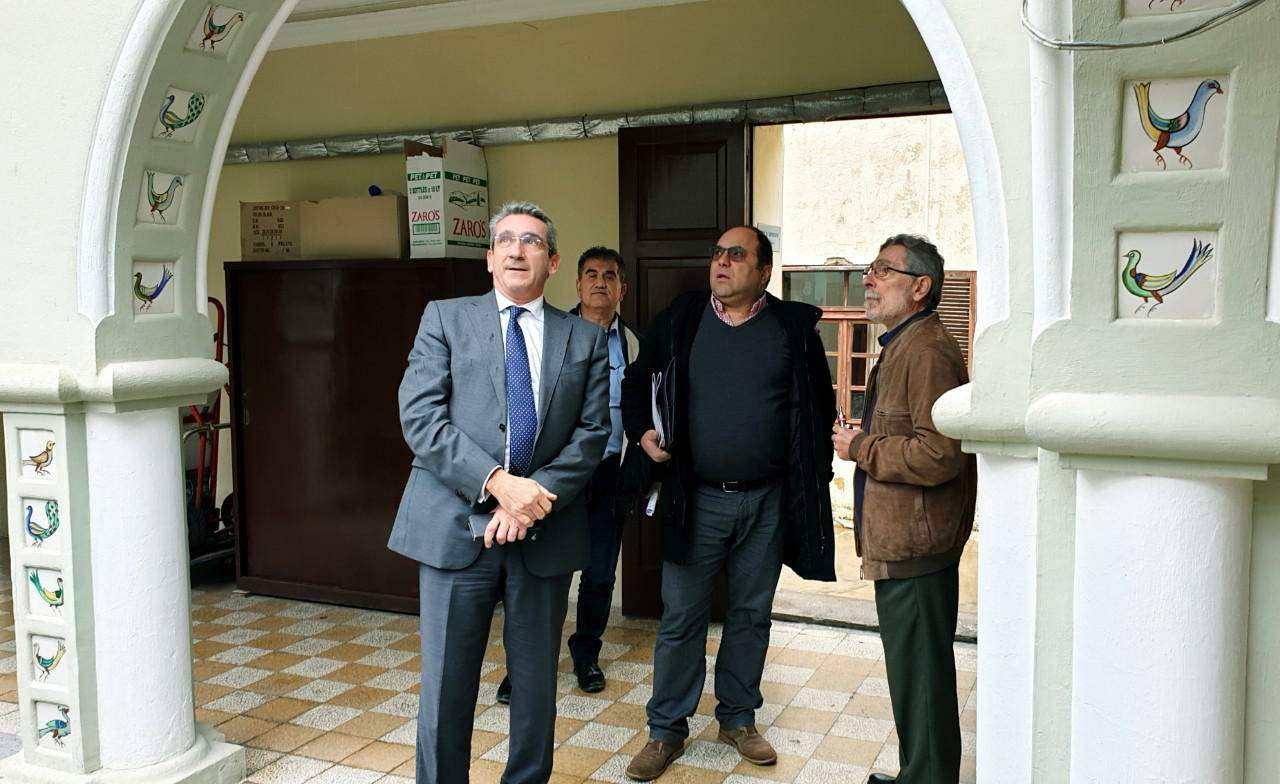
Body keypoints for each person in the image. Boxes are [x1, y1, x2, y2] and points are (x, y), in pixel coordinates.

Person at [388, 201, 611, 784]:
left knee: (535, 689)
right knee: (446, 686)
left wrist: (528, 500)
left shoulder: (584, 338)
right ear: (489, 258)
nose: (516, 250)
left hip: (543, 532)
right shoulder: (445, 318)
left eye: (531, 241)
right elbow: (421, 417)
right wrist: (496, 483)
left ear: (553, 261)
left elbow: (592, 434)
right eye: (505, 240)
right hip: (453, 531)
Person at [619, 226, 836, 781]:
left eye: (736, 255)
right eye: (717, 253)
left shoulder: (792, 329)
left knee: (750, 614)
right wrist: (642, 431)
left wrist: (812, 483)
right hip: (696, 498)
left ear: (763, 271)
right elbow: (637, 382)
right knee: (681, 617)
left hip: (766, 501)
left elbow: (818, 408)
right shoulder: (684, 318)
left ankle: (738, 718)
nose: (721, 262)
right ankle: (666, 729)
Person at [830, 234, 976, 784]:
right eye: (871, 268)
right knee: (915, 678)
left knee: (922, 681)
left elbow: (940, 455)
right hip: (905, 544)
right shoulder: (903, 344)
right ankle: (919, 774)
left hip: (918, 547)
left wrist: (860, 447)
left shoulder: (927, 350)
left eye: (884, 270)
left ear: (920, 287)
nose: (869, 279)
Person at [496, 246, 640, 703]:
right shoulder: (553, 334)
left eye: (609, 275)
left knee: (599, 574)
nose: (600, 282)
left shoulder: (634, 344)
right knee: (537, 574)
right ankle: (521, 668)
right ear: (577, 285)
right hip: (555, 476)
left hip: (609, 475)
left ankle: (586, 655)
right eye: (591, 274)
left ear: (622, 289)